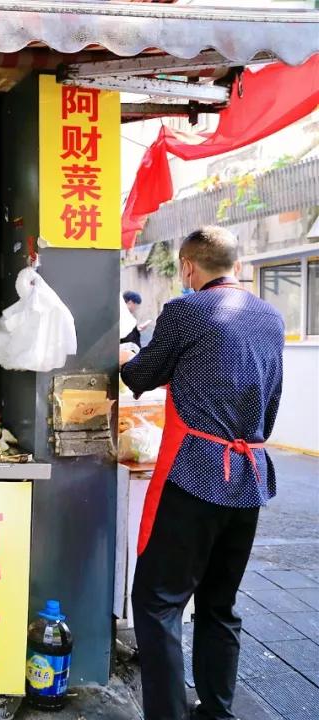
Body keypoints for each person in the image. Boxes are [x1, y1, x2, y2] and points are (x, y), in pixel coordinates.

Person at [119, 226, 284, 720]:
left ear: (188, 268)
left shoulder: (186, 311)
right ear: (236, 264)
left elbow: (141, 376)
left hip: (195, 474)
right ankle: (216, 712)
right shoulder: (270, 316)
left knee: (157, 601)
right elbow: (270, 405)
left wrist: (128, 355)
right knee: (219, 603)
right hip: (250, 476)